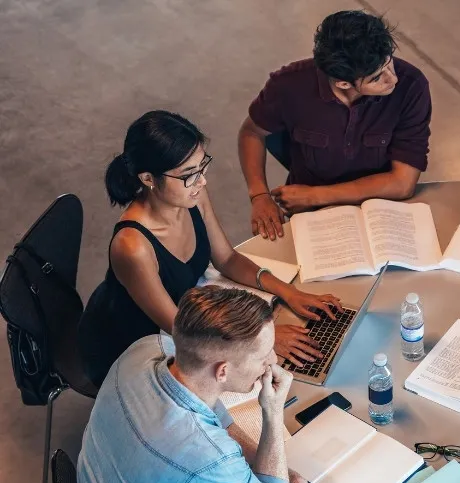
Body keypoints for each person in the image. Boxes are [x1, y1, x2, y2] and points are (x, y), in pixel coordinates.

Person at [77, 287, 371, 483]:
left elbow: (207, 404)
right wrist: (271, 414)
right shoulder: (204, 457)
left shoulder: (142, 351)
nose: (273, 361)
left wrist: (259, 456)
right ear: (223, 371)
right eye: (264, 356)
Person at [79, 110, 340, 386]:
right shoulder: (132, 247)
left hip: (188, 313)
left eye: (202, 166)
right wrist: (264, 337)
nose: (202, 181)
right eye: (189, 174)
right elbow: (180, 329)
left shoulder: (193, 195)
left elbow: (226, 258)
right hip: (132, 343)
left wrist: (288, 291)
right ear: (148, 179)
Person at [241, 10, 432, 240]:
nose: (393, 78)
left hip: (381, 210)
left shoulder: (411, 86)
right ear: (343, 83)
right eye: (376, 77)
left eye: (389, 62)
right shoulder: (287, 86)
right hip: (312, 216)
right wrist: (259, 196)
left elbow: (402, 184)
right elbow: (252, 132)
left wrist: (315, 196)